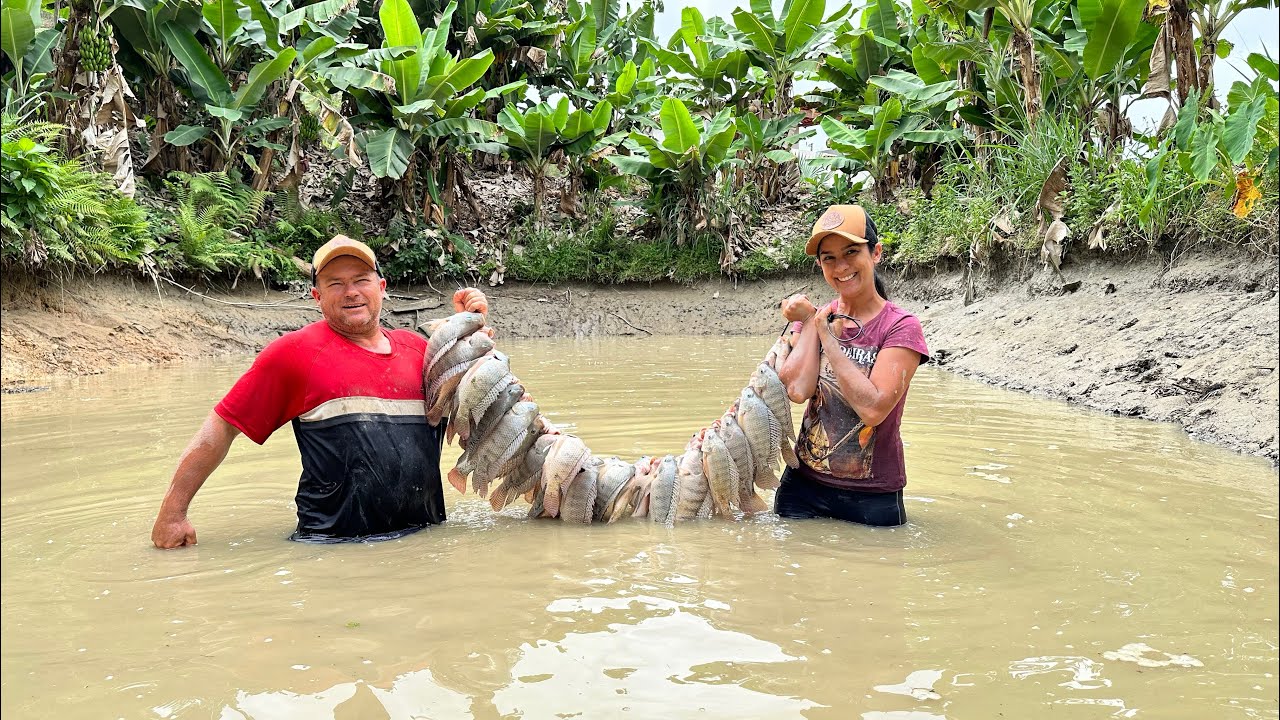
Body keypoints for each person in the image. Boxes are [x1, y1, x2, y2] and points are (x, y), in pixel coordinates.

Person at [150, 235, 490, 547]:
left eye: (361, 280)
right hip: (330, 547)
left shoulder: (422, 351)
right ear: (317, 296)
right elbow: (221, 428)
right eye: (336, 284)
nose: (351, 292)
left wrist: (468, 336)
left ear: (381, 287)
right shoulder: (294, 353)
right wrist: (172, 514)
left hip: (424, 542)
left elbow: (482, 418)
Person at [775, 205, 929, 526]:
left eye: (850, 252)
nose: (840, 266)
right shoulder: (818, 317)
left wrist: (826, 339)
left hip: (873, 497)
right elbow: (797, 390)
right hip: (801, 488)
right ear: (820, 265)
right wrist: (806, 322)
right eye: (828, 257)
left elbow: (873, 410)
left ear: (876, 253)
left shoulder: (901, 326)